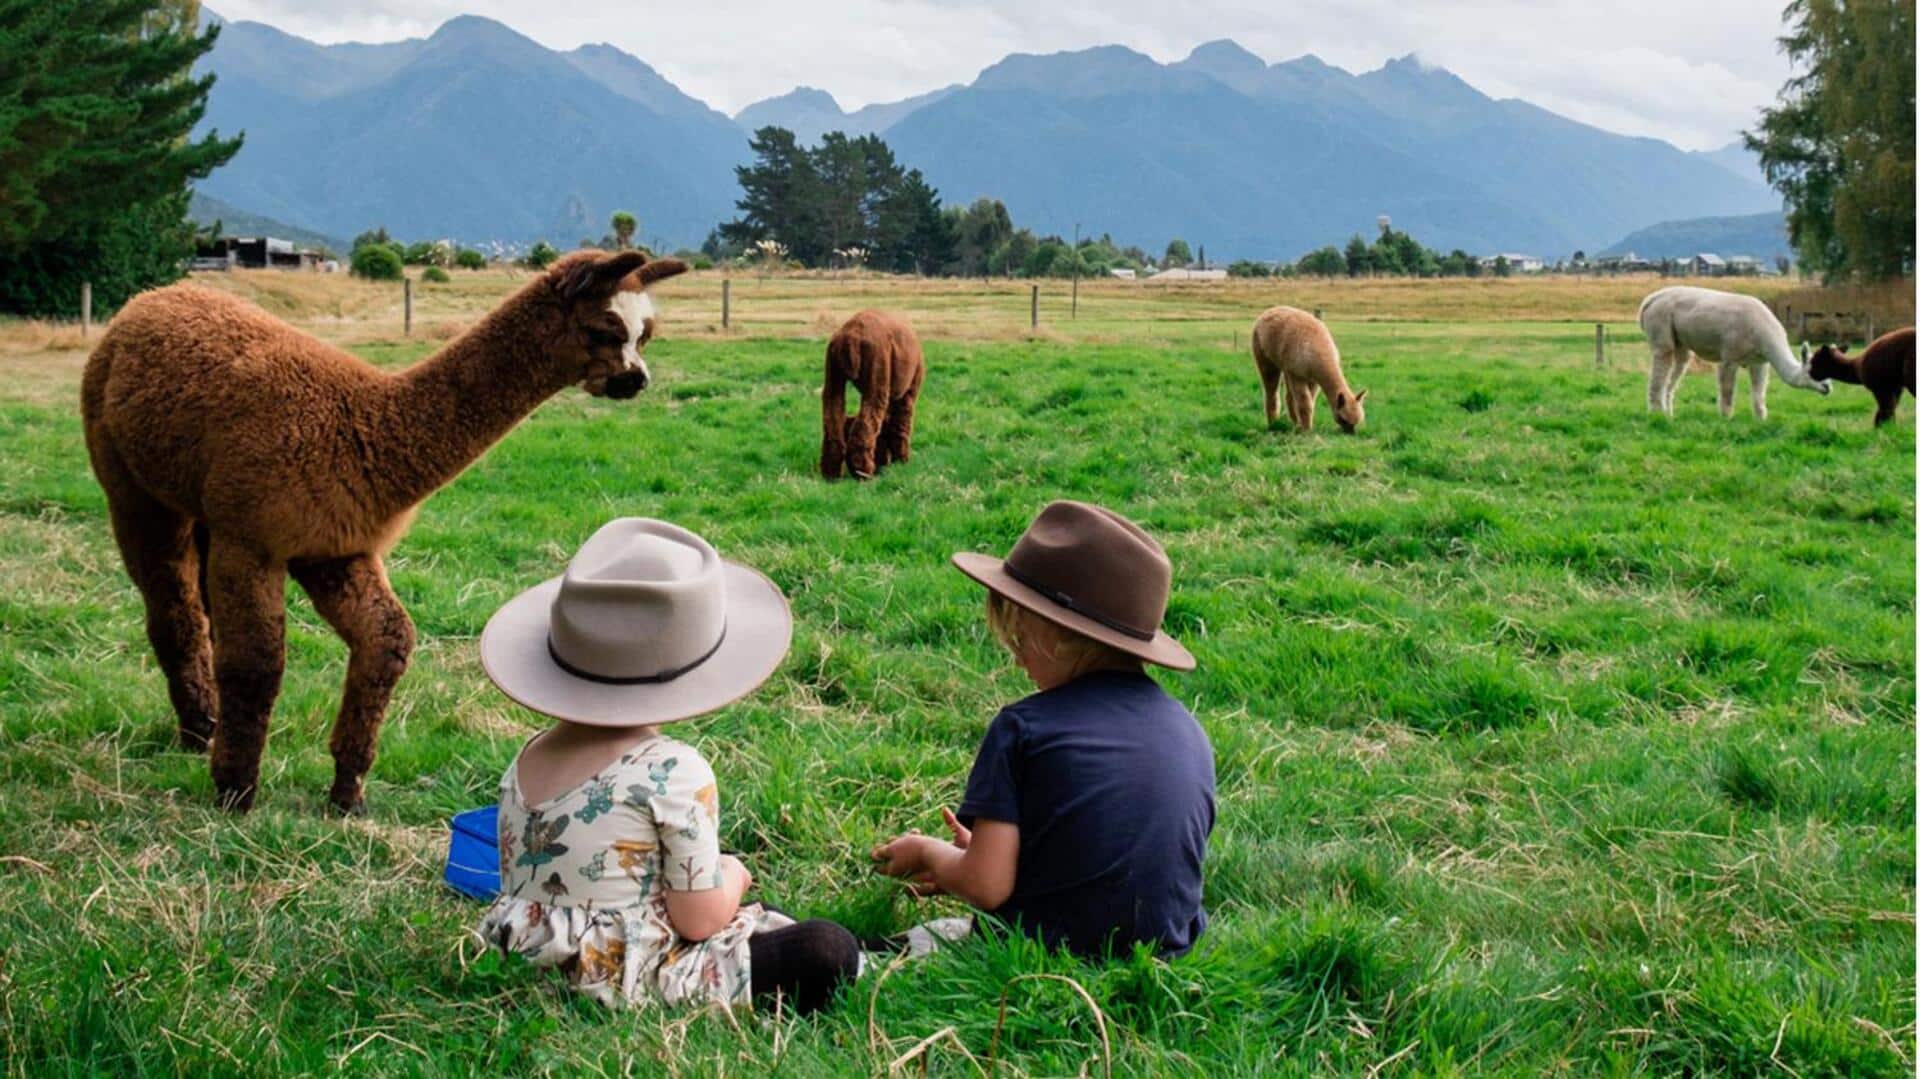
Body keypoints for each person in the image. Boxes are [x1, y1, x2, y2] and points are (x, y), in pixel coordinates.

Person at [475, 518, 859, 1014]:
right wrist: (734, 874)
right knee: (825, 949)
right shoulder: (672, 771)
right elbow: (698, 920)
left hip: (526, 958)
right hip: (628, 973)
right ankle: (873, 953)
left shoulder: (527, 757)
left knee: (774, 922)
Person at [872, 500, 1216, 959]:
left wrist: (929, 853)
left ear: (1057, 632)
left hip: (1046, 961)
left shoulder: (1023, 727)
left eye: (1019, 638)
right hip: (1165, 959)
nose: (1016, 658)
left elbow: (985, 885)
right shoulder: (1188, 731)